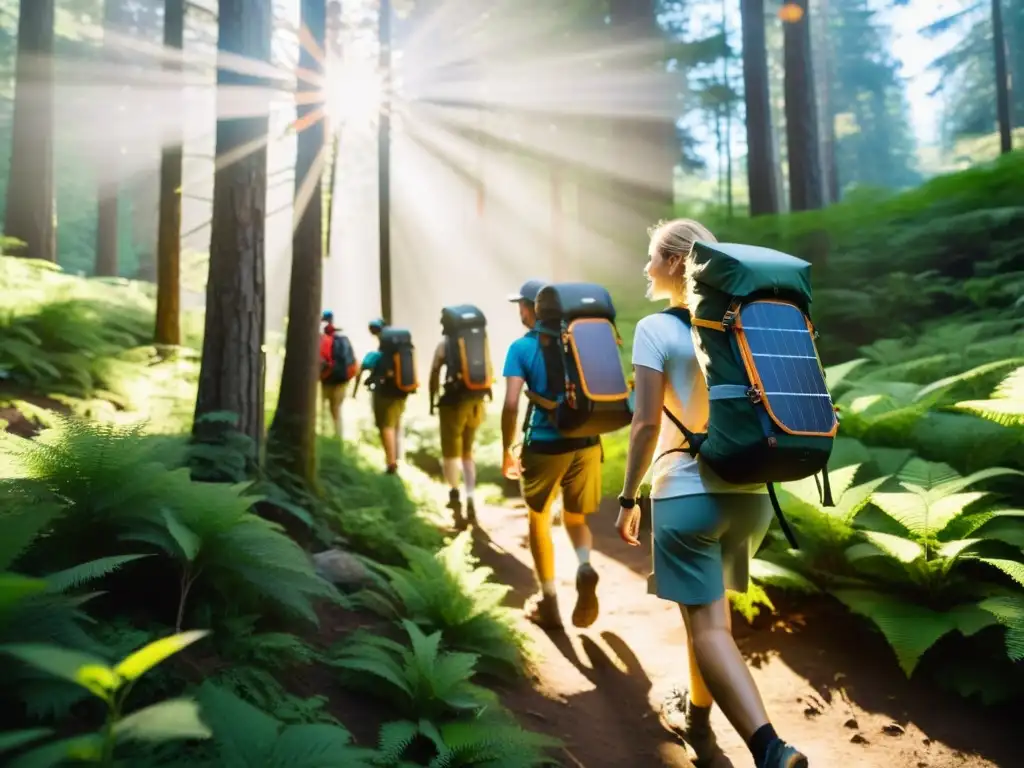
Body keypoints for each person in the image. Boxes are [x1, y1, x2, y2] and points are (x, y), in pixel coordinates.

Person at [615, 219, 808, 768]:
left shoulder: (656, 329)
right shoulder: (743, 326)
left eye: (652, 257)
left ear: (677, 264)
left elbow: (644, 426)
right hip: (750, 492)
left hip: (686, 493)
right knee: (708, 622)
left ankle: (770, 747)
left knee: (709, 627)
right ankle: (698, 717)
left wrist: (629, 497)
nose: (646, 267)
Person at [500, 279, 601, 631]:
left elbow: (512, 404)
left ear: (532, 309)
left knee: (538, 519)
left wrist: (506, 451)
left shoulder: (521, 348)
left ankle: (549, 601)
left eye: (521, 305)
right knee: (576, 518)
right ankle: (585, 566)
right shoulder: (581, 341)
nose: (519, 311)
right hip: (587, 443)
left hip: (545, 445)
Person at [428, 315, 489, 530]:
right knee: (467, 454)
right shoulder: (479, 341)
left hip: (453, 404)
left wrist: (432, 400)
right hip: (476, 402)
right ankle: (471, 497)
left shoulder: (445, 344)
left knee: (450, 456)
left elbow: (434, 372)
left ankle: (455, 497)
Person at [353, 317, 406, 474]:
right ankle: (396, 459)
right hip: (402, 392)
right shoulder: (401, 352)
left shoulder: (376, 356)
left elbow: (360, 371)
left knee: (386, 426)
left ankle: (391, 464)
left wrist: (355, 391)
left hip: (385, 394)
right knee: (395, 424)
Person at [319, 311, 357, 438]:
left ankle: (322, 434)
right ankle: (337, 437)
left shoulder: (323, 338)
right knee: (336, 410)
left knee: (321, 408)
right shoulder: (343, 339)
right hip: (342, 380)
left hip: (327, 379)